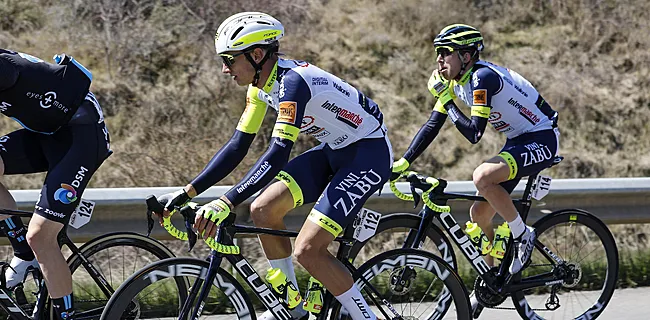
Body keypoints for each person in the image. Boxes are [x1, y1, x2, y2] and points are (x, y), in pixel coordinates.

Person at [158, 12, 392, 320]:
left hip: (367, 155)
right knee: (262, 209)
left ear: (256, 55)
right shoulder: (259, 87)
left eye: (229, 60)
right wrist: (188, 192)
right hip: (335, 150)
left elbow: (278, 153)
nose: (224, 69)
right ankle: (293, 309)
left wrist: (227, 201)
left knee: (308, 251)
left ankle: (367, 317)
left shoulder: (293, 84)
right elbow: (237, 146)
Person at [392, 24, 559, 274]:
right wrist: (404, 162)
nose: (439, 60)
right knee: (479, 215)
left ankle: (523, 235)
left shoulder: (483, 78)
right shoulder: (457, 81)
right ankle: (489, 280)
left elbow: (474, 133)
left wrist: (447, 101)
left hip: (542, 137)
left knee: (482, 176)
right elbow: (432, 125)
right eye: (437, 52)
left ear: (466, 56)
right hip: (517, 140)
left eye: (445, 52)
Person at [0, 49, 111, 319]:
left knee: (40, 236)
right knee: (31, 243)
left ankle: (65, 316)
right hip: (47, 133)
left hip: (82, 135)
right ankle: (23, 252)